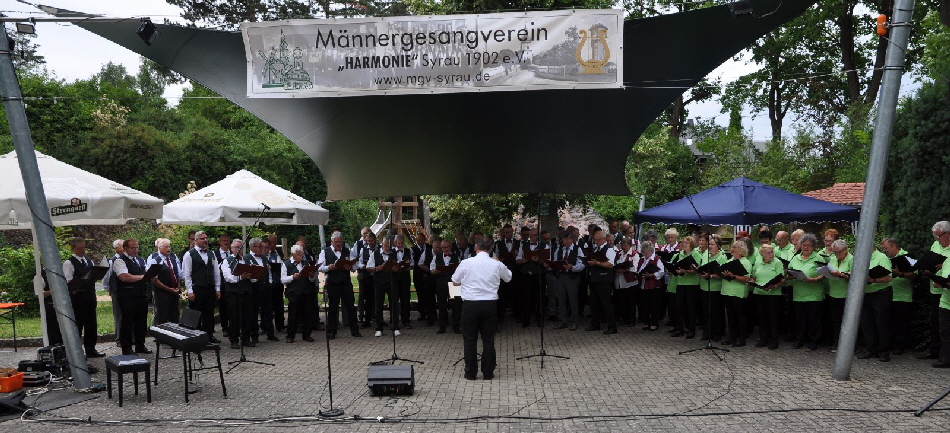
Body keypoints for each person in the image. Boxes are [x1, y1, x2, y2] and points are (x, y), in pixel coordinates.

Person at [452, 238, 512, 380]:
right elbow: (508, 277)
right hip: (489, 304)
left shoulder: (466, 263)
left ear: (476, 248)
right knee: (488, 339)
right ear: (491, 249)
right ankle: (488, 372)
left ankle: (471, 372)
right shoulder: (496, 264)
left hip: (470, 304)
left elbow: (455, 280)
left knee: (470, 339)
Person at [62, 237, 104, 358]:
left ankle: (91, 349)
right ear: (73, 248)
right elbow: (67, 280)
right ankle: (77, 352)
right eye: (80, 248)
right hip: (78, 298)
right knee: (78, 325)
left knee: (91, 325)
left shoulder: (89, 261)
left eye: (84, 248)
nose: (83, 250)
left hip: (90, 296)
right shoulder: (69, 263)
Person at [111, 238, 151, 355]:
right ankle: (127, 347)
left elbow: (147, 273)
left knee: (141, 321)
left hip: (140, 294)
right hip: (127, 296)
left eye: (137, 247)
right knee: (127, 321)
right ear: (126, 248)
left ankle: (140, 344)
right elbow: (124, 277)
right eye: (133, 248)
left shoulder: (140, 260)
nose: (136, 250)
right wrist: (143, 277)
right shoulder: (119, 261)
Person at [318, 232, 361, 339]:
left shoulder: (347, 251)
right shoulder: (325, 252)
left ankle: (354, 330)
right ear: (332, 242)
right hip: (333, 283)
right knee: (333, 308)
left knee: (351, 307)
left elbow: (355, 265)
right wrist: (328, 267)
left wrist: (351, 267)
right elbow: (319, 267)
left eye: (340, 242)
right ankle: (332, 331)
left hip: (346, 283)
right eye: (336, 242)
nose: (338, 244)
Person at [181, 231, 222, 343]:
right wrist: (190, 291)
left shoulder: (211, 253)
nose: (205, 240)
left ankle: (209, 335)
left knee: (209, 313)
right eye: (203, 238)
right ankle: (197, 338)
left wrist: (217, 288)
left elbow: (216, 272)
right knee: (197, 314)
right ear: (196, 240)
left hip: (209, 287)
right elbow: (187, 274)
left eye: (206, 238)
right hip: (197, 288)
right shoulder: (189, 254)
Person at [856, 243, 894, 362]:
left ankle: (884, 351)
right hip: (866, 294)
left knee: (881, 323)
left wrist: (873, 280)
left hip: (880, 294)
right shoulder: (861, 258)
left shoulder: (881, 258)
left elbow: (889, 277)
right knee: (867, 323)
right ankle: (870, 349)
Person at [788, 233, 825, 351]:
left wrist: (814, 279)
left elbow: (824, 274)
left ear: (814, 246)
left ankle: (813, 341)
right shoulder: (796, 258)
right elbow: (789, 271)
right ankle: (799, 340)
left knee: (813, 320)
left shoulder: (818, 258)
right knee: (800, 319)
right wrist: (791, 276)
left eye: (809, 245)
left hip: (814, 295)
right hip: (799, 294)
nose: (806, 247)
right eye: (804, 245)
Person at [921, 221, 950, 361]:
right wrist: (928, 268)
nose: (937, 239)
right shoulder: (935, 245)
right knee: (935, 323)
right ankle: (934, 351)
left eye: (939, 236)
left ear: (948, 234)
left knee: (945, 327)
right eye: (935, 236)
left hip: (946, 290)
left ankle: (944, 356)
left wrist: (942, 265)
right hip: (935, 289)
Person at [882, 238, 914, 355]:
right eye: (883, 249)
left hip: (903, 295)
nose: (885, 251)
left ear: (894, 246)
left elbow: (915, 274)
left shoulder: (908, 256)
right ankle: (889, 344)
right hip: (888, 294)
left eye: (886, 248)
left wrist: (899, 274)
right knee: (888, 322)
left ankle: (900, 346)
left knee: (901, 323)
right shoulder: (885, 259)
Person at [365, 236, 401, 337]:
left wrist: (396, 269)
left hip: (392, 281)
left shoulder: (395, 254)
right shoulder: (375, 254)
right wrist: (377, 268)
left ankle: (395, 327)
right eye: (386, 244)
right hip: (379, 282)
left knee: (394, 304)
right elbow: (368, 267)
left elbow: (399, 267)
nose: (388, 246)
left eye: (390, 244)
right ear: (382, 244)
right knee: (378, 305)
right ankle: (379, 328)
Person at [751, 244, 784, 350]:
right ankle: (763, 339)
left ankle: (774, 340)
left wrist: (773, 286)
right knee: (762, 317)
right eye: (768, 252)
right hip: (759, 293)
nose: (771, 254)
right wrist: (751, 282)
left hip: (773, 294)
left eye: (772, 252)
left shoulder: (777, 262)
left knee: (773, 317)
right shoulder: (757, 262)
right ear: (762, 254)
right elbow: (754, 276)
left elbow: (782, 279)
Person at [282, 244, 316, 343]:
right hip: (294, 293)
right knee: (293, 315)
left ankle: (307, 334)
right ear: (292, 254)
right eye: (298, 255)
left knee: (307, 314)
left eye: (301, 255)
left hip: (306, 291)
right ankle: (290, 336)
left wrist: (311, 275)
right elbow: (283, 279)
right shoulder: (286, 264)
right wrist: (292, 277)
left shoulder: (306, 263)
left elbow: (312, 279)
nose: (300, 257)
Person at [721, 241, 753, 347]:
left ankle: (742, 338)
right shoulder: (729, 260)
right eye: (732, 246)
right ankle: (731, 337)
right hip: (727, 291)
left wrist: (733, 276)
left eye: (734, 247)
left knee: (740, 316)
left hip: (739, 293)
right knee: (730, 316)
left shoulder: (745, 262)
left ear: (741, 249)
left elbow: (747, 278)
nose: (732, 248)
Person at [586, 230, 618, 334]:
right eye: (594, 240)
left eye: (598, 240)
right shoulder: (596, 248)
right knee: (593, 303)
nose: (596, 242)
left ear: (604, 239)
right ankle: (595, 324)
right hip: (595, 279)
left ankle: (612, 327)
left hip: (604, 280)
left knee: (606, 303)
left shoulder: (609, 249)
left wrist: (597, 263)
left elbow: (610, 264)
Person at [247, 237, 279, 342]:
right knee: (253, 312)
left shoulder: (264, 258)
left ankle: (270, 333)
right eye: (260, 246)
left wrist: (269, 282)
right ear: (253, 247)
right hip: (254, 289)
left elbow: (268, 271)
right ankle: (254, 335)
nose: (262, 249)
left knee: (268, 311)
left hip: (266, 288)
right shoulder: (247, 258)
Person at [552, 232, 586, 331]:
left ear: (571, 240)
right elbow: (555, 261)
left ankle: (574, 321)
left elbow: (582, 264)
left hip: (572, 277)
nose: (565, 242)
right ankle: (563, 320)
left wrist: (572, 267)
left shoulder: (577, 249)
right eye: (563, 239)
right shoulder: (559, 250)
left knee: (572, 299)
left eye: (567, 239)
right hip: (561, 276)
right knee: (561, 299)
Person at [146, 238, 182, 327]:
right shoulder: (155, 260)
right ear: (159, 248)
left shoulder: (173, 258)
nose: (168, 249)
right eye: (166, 247)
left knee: (174, 314)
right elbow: (154, 279)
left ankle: (174, 336)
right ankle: (161, 338)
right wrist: (169, 289)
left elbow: (178, 274)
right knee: (162, 315)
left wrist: (178, 287)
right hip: (161, 293)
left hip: (174, 292)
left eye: (169, 247)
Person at [515, 228, 547, 328]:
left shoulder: (544, 246)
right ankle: (526, 320)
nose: (532, 237)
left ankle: (540, 320)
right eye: (531, 235)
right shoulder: (523, 245)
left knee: (540, 298)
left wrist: (538, 260)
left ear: (538, 236)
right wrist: (522, 261)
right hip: (526, 275)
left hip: (539, 275)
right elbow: (517, 260)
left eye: (534, 235)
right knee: (525, 298)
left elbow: (547, 263)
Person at [670, 236, 700, 339]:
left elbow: (697, 270)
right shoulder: (680, 254)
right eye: (683, 243)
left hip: (692, 284)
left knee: (691, 308)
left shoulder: (696, 254)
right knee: (678, 306)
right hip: (680, 282)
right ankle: (680, 329)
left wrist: (685, 271)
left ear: (691, 244)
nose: (684, 245)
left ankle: (691, 330)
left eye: (686, 243)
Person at [699, 235, 727, 341]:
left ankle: (717, 334)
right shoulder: (706, 254)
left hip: (715, 288)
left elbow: (722, 274)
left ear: (718, 246)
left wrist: (710, 275)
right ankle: (707, 333)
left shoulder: (722, 257)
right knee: (706, 311)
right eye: (709, 244)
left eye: (712, 244)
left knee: (716, 312)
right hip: (704, 287)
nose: (710, 246)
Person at [826, 239, 852, 352]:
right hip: (834, 294)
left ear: (845, 250)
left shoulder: (852, 259)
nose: (836, 255)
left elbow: (855, 277)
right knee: (835, 321)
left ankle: (848, 345)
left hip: (846, 295)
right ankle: (836, 343)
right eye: (834, 252)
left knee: (846, 322)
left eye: (838, 252)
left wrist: (841, 275)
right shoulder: (833, 259)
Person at [430, 237, 460, 334]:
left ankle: (456, 326)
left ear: (451, 247)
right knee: (442, 306)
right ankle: (442, 327)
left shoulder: (456, 256)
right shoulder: (436, 257)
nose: (445, 249)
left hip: (453, 284)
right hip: (441, 284)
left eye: (447, 247)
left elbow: (461, 270)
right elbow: (431, 269)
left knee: (456, 306)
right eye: (443, 248)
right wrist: (436, 271)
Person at [493, 224, 521, 322]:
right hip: (502, 272)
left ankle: (517, 315)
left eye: (509, 232)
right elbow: (495, 258)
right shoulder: (498, 244)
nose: (508, 234)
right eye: (506, 232)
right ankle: (500, 317)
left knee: (516, 294)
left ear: (512, 232)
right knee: (502, 294)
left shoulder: (518, 243)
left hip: (515, 272)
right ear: (503, 233)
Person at [637, 241, 666, 331]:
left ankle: (654, 323)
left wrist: (652, 275)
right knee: (644, 305)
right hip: (644, 285)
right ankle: (646, 322)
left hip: (654, 286)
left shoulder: (656, 259)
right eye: (644, 252)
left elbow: (661, 272)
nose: (645, 254)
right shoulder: (642, 260)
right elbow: (638, 270)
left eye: (646, 252)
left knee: (654, 305)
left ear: (650, 251)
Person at [101, 239, 124, 345]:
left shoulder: (128, 259)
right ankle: (119, 338)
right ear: (116, 249)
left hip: (128, 291)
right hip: (117, 290)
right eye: (123, 246)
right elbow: (107, 276)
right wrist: (108, 288)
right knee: (119, 315)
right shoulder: (112, 260)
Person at [613, 238, 640, 327]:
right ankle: (624, 318)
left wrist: (625, 269)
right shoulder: (619, 253)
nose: (624, 247)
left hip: (630, 282)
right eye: (623, 245)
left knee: (631, 302)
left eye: (626, 245)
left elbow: (636, 267)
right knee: (622, 302)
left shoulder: (634, 254)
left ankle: (631, 320)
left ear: (630, 245)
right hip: (619, 281)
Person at [262, 236, 285, 333]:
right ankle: (265, 326)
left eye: (275, 243)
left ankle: (280, 325)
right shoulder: (263, 255)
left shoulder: (278, 253)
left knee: (279, 305)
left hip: (277, 283)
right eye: (271, 243)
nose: (273, 245)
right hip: (267, 285)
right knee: (266, 307)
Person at [354, 232, 377, 329]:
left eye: (371, 241)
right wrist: (363, 266)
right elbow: (358, 262)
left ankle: (377, 318)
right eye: (368, 241)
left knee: (377, 298)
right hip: (367, 276)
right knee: (367, 298)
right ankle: (367, 319)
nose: (370, 243)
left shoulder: (379, 249)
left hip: (377, 276)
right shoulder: (363, 250)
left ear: (375, 240)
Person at [412, 231, 434, 325]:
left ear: (425, 240)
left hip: (430, 275)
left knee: (430, 295)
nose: (420, 242)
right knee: (420, 294)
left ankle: (432, 314)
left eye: (421, 240)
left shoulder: (430, 248)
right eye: (418, 240)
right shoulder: (412, 249)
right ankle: (422, 313)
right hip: (418, 275)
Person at [392, 235, 414, 329]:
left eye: (401, 243)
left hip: (405, 277)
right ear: (395, 243)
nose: (400, 245)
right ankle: (394, 321)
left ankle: (406, 320)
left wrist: (409, 266)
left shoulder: (409, 251)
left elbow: (412, 263)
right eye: (398, 243)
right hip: (395, 278)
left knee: (405, 299)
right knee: (394, 299)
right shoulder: (391, 252)